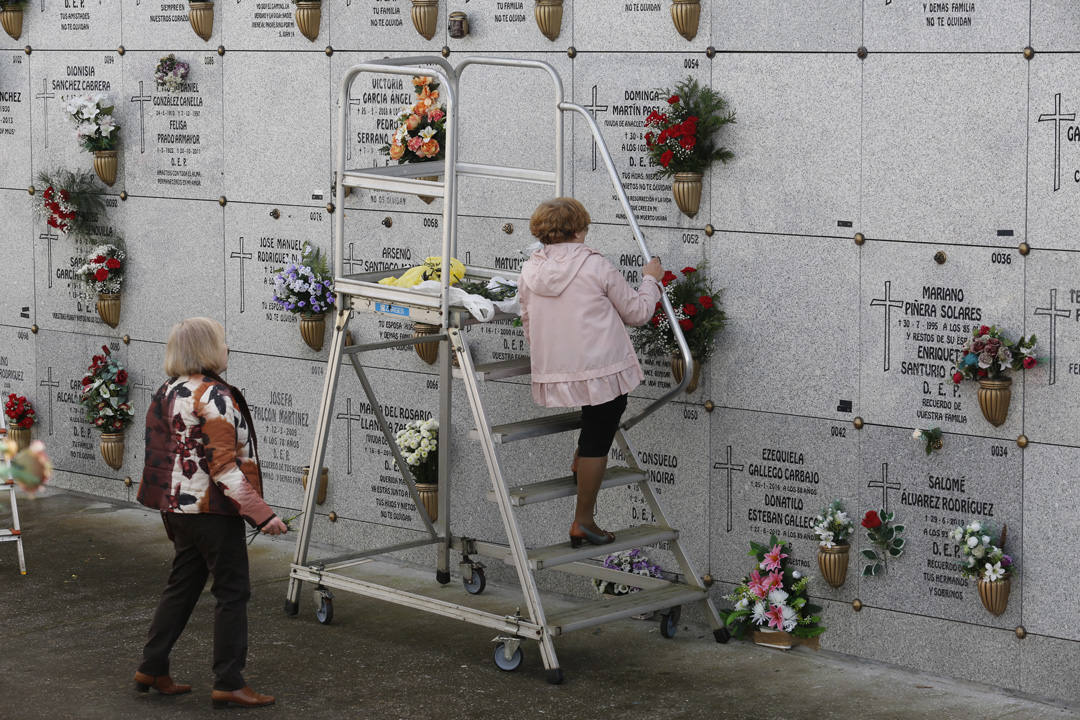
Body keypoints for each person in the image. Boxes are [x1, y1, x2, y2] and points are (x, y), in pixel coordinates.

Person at [134, 317, 287, 709]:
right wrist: (262, 515)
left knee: (183, 584)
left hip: (176, 509)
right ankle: (229, 681)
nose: (227, 349)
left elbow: (158, 455)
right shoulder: (215, 396)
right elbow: (223, 467)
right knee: (233, 592)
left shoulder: (166, 390)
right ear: (207, 349)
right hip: (213, 512)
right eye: (222, 342)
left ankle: (152, 666)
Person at [519, 198, 664, 547]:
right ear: (580, 229)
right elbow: (638, 313)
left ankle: (580, 461)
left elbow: (528, 323)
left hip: (559, 367)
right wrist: (651, 280)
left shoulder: (529, 270)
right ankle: (583, 520)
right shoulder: (595, 266)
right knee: (599, 437)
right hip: (602, 367)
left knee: (594, 423)